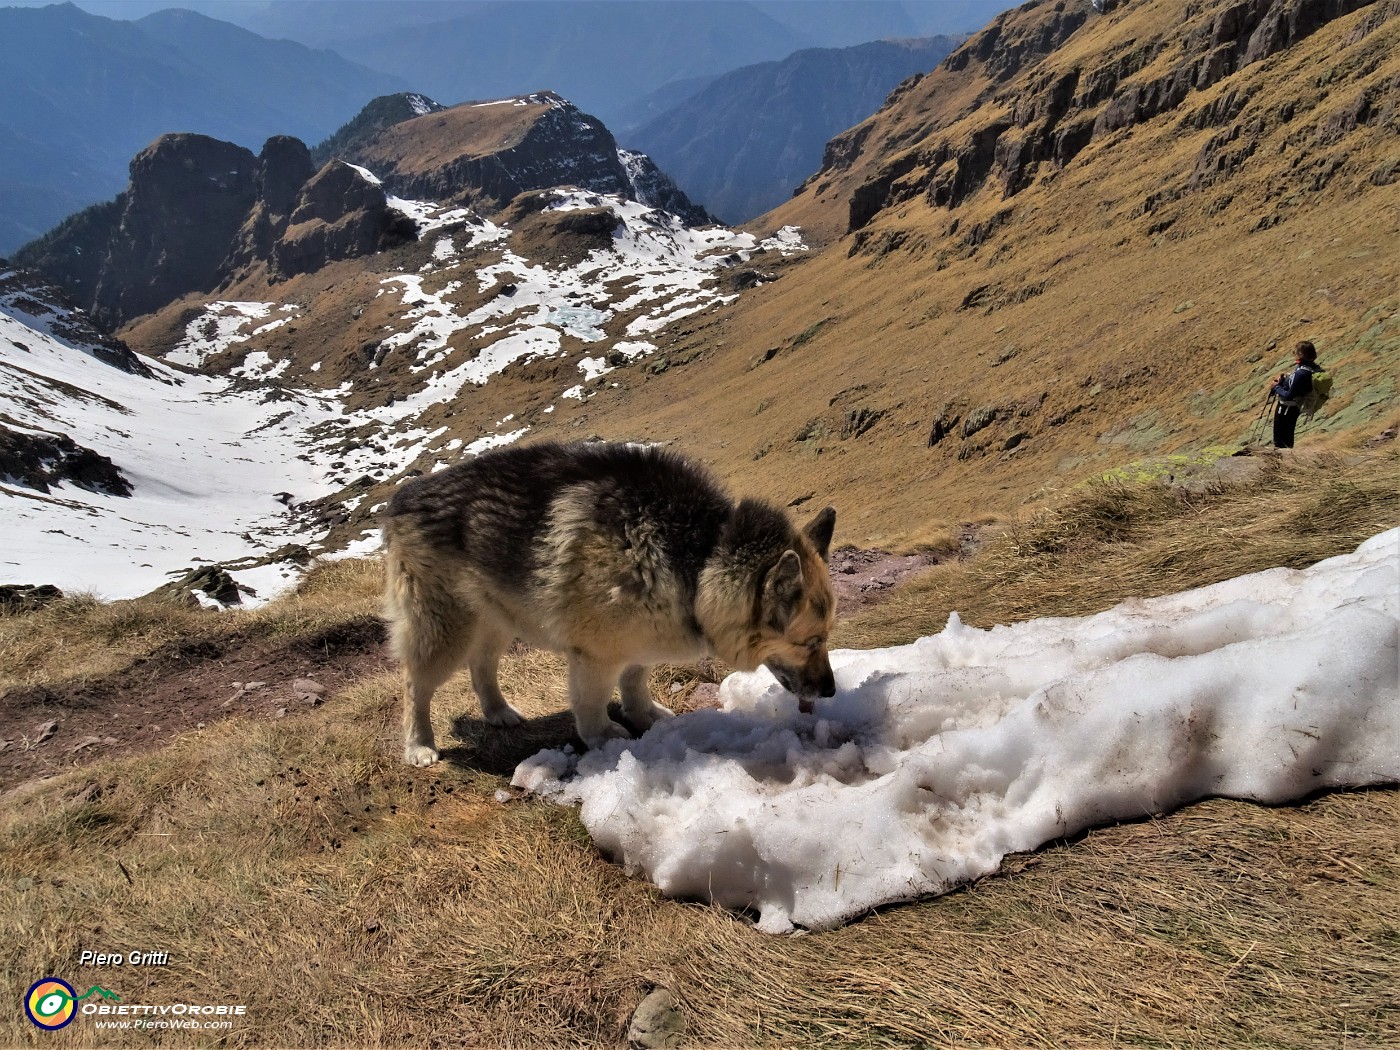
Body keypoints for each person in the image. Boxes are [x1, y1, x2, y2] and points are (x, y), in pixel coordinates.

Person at [1268, 340, 1322, 449]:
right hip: (1293, 408)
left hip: (1287, 408)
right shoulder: (1311, 368)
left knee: (1281, 440)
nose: (1294, 354)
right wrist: (1284, 382)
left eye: (1296, 352)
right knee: (1287, 437)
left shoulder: (1302, 372)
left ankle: (1280, 461)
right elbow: (1297, 387)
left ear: (1301, 354)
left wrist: (1276, 387)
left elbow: (1289, 395)